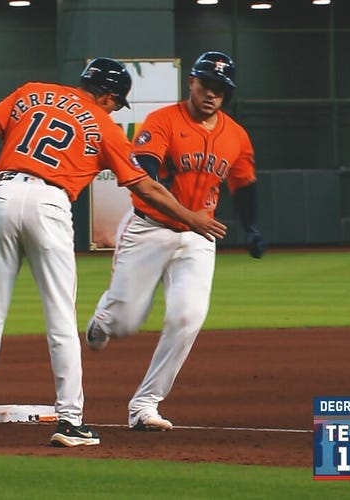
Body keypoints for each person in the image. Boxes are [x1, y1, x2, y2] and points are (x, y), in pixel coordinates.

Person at [0, 57, 227, 448]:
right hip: (49, 203)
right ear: (107, 96)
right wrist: (192, 217)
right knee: (60, 319)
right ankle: (70, 422)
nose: (112, 107)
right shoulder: (104, 126)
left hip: (1, 196)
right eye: (115, 102)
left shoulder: (31, 91)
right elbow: (147, 189)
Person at [85, 51, 266, 431]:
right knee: (124, 324)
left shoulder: (236, 135)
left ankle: (145, 404)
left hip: (199, 238)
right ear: (192, 83)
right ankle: (103, 318)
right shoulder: (162, 120)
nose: (212, 94)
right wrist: (186, 212)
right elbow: (147, 172)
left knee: (187, 317)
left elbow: (244, 183)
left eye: (220, 89)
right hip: (149, 228)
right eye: (206, 85)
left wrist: (252, 226)